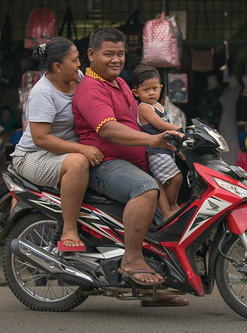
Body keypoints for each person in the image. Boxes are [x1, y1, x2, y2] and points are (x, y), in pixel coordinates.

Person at [72, 27, 188, 306]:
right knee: (147, 189)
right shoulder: (91, 89)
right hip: (106, 165)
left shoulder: (122, 84)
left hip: (131, 163)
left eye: (120, 54)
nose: (115, 59)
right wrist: (153, 140)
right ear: (91, 54)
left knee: (164, 217)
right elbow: (109, 130)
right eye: (108, 54)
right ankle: (131, 258)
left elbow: (145, 119)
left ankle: (150, 291)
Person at [11, 37, 104, 252]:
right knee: (79, 163)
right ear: (57, 67)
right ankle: (69, 229)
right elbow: (41, 138)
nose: (79, 64)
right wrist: (82, 148)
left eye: (79, 58)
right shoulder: (43, 93)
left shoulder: (78, 78)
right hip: (34, 156)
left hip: (62, 152)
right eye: (74, 60)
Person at [131, 65, 183, 221]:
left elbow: (167, 134)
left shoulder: (159, 106)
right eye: (146, 90)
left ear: (161, 88)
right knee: (176, 178)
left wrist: (178, 150)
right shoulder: (144, 108)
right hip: (156, 152)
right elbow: (161, 127)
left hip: (166, 150)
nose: (151, 92)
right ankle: (171, 206)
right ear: (136, 93)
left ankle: (166, 210)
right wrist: (183, 129)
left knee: (164, 181)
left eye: (154, 88)